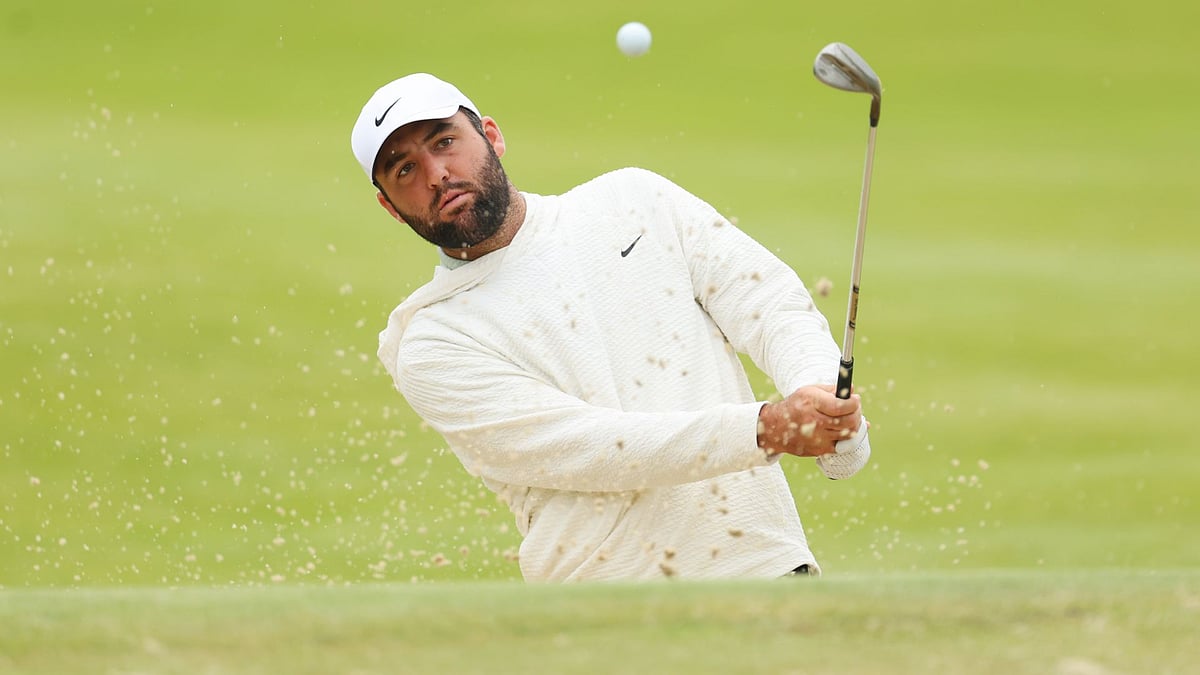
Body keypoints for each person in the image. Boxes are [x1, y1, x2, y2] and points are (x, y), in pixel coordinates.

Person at [350, 73, 872, 582]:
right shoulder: (431, 342)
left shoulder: (632, 200)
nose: (436, 174)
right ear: (389, 208)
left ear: (491, 135)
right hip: (607, 610)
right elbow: (597, 449)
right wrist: (765, 428)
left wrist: (821, 398)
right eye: (404, 170)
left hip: (767, 569)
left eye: (444, 142)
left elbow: (767, 302)